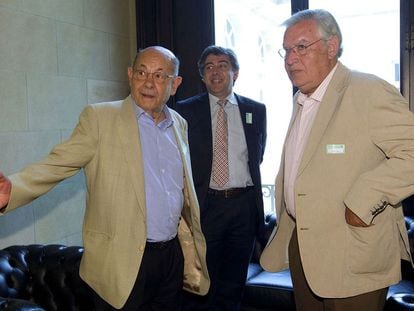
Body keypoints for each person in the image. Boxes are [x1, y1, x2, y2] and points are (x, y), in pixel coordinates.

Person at [0, 46, 210, 311]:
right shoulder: (100, 118)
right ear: (130, 75)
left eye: (159, 76)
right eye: (142, 73)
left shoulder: (179, 123)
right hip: (122, 262)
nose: (148, 82)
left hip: (170, 258)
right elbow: (58, 163)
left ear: (175, 84)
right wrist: (14, 189)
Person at [260, 8, 414, 311]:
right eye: (287, 50)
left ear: (331, 47)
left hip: (351, 253)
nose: (290, 59)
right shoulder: (302, 100)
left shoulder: (367, 90)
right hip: (304, 251)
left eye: (301, 47)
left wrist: (364, 200)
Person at [175, 45, 267, 310]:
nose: (216, 72)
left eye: (223, 65)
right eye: (209, 67)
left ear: (235, 73)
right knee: (204, 280)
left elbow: (257, 156)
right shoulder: (185, 110)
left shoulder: (256, 110)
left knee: (235, 281)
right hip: (207, 206)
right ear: (202, 76)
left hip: (244, 208)